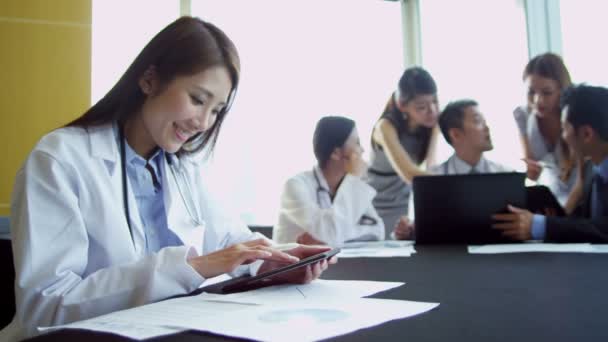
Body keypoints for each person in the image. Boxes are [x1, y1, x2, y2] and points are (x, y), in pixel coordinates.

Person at [1, 17, 334, 341]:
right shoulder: (60, 159)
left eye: (217, 110)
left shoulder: (183, 167)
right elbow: (44, 310)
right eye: (197, 99)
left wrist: (274, 266)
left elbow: (232, 242)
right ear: (150, 80)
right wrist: (193, 266)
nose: (204, 122)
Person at [493, 84, 608, 242]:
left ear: (587, 134)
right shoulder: (595, 173)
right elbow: (588, 225)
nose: (563, 136)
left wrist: (540, 226)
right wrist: (552, 220)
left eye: (564, 128)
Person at [393, 99, 512, 240]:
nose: (487, 127)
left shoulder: (507, 175)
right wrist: (407, 231)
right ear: (455, 134)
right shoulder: (430, 182)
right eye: (478, 121)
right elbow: (415, 228)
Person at [273, 116, 385, 246]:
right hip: (295, 265)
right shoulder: (295, 186)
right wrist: (354, 178)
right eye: (357, 143)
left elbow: (377, 230)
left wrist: (334, 237)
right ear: (336, 153)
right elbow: (331, 233)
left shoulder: (348, 186)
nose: (362, 150)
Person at [367, 67, 440, 239]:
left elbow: (432, 167)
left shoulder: (430, 125)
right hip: (374, 205)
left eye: (435, 101)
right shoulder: (385, 127)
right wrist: (452, 185)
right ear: (402, 105)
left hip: (402, 204)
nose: (432, 111)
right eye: (422, 106)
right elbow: (410, 174)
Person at [513, 53, 579, 207]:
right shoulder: (523, 115)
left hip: (580, 194)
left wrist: (562, 220)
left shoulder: (575, 116)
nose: (537, 100)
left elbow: (584, 178)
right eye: (531, 92)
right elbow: (532, 170)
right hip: (552, 196)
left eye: (547, 92)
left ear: (561, 90)